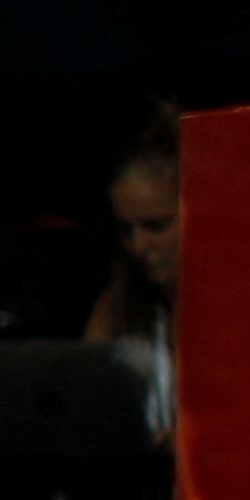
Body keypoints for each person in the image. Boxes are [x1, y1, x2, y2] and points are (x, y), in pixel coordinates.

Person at [83, 111, 181, 438]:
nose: (139, 246)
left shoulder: (246, 316)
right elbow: (85, 416)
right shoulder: (114, 309)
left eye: (156, 225)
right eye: (126, 230)